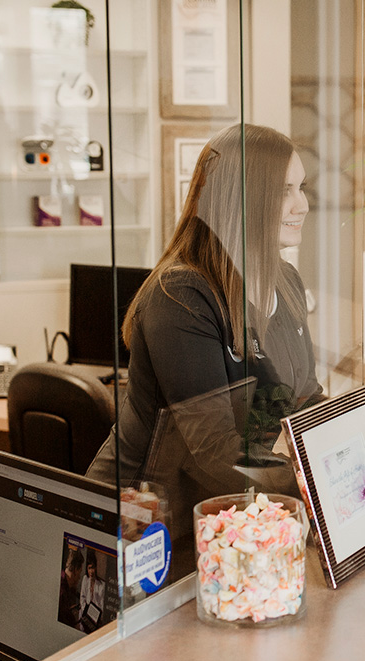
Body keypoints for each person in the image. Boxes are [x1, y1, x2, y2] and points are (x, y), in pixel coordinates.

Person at [87, 124, 324, 503]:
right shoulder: (181, 295)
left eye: (302, 187)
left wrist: (364, 449)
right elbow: (214, 452)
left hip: (226, 504)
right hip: (147, 512)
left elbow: (306, 401)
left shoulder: (286, 281)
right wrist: (315, 482)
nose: (303, 205)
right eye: (284, 191)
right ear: (240, 199)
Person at [78, 554, 106, 631]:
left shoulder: (101, 585)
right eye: (89, 568)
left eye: (93, 567)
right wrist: (85, 611)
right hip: (85, 613)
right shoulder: (85, 579)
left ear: (96, 568)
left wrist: (95, 616)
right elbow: (82, 597)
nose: (91, 571)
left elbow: (101, 604)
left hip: (95, 616)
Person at [58, 548, 84, 628]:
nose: (79, 578)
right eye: (79, 573)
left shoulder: (61, 575)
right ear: (75, 570)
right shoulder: (61, 592)